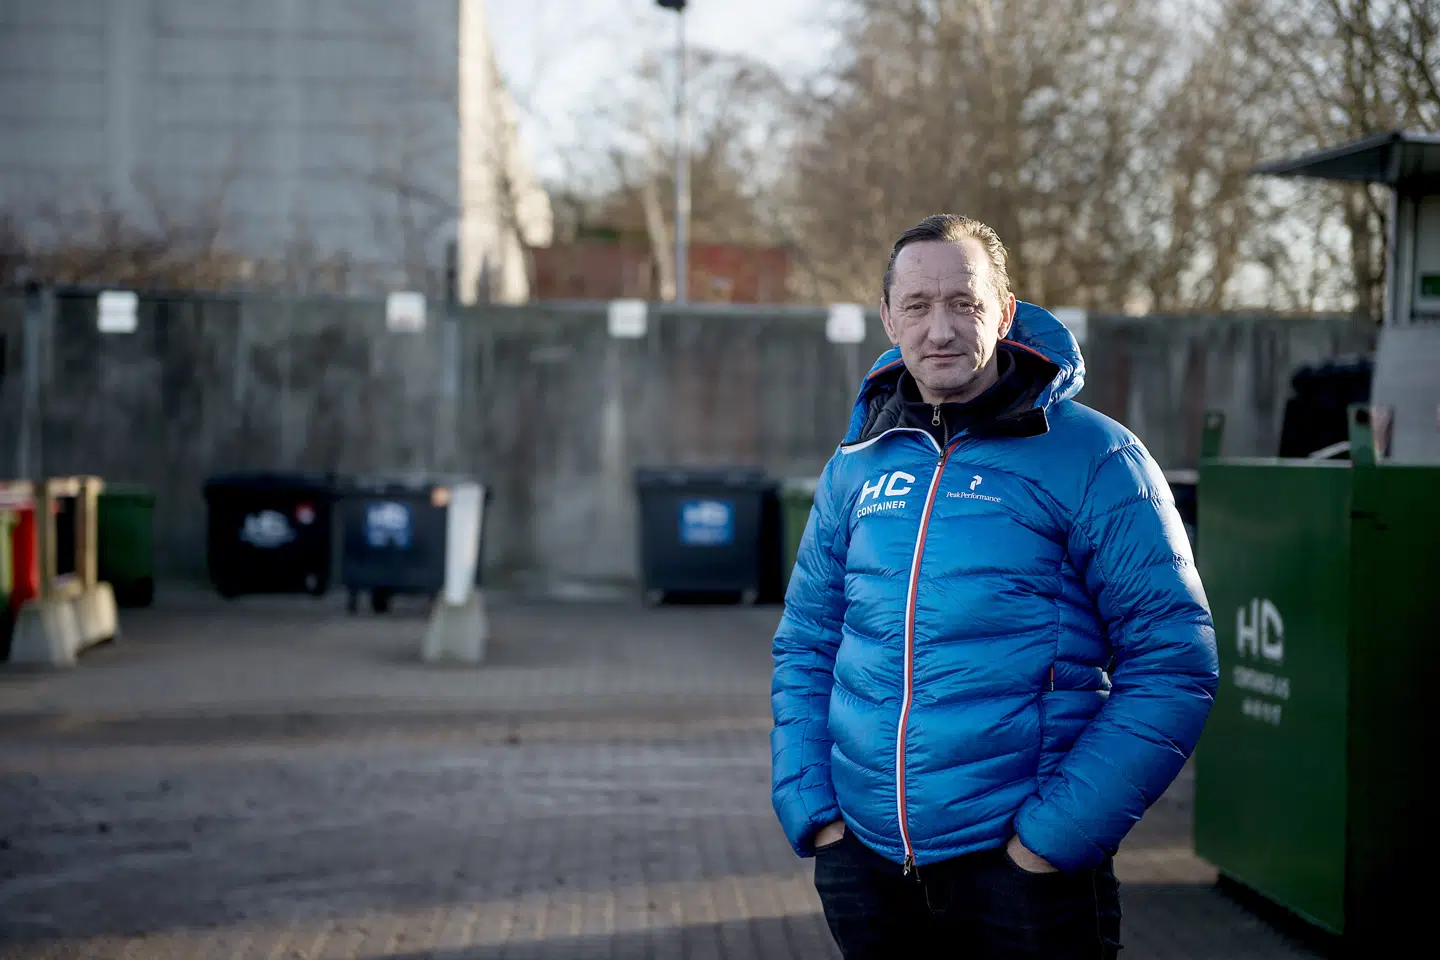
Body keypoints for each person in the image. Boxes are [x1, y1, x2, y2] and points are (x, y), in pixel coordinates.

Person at [770, 214, 1218, 958]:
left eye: (965, 303)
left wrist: (1051, 842)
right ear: (888, 318)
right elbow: (807, 643)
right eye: (916, 306)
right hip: (868, 869)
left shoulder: (1098, 457)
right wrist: (817, 813)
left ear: (1006, 313)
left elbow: (1175, 662)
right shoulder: (858, 462)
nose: (940, 329)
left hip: (1024, 879)